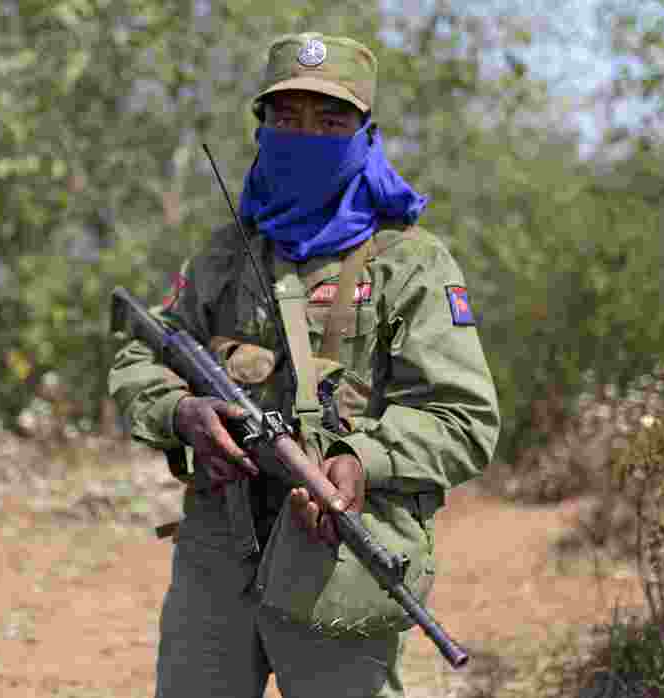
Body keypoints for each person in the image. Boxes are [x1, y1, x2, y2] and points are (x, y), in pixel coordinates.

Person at [109, 31, 500, 698]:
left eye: (330, 120)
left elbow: (463, 418)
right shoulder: (227, 256)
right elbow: (142, 357)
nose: (305, 134)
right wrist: (182, 413)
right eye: (286, 117)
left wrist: (360, 458)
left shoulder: (409, 262)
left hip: (341, 551)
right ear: (261, 129)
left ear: (364, 132)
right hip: (218, 548)